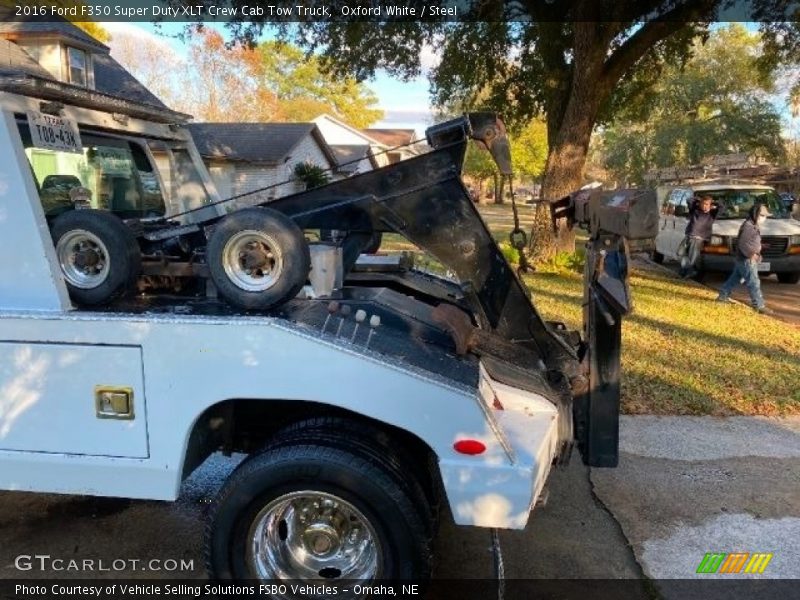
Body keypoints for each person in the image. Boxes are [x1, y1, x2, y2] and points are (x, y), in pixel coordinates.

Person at [716, 203, 775, 315]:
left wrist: (760, 246)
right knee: (754, 282)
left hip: (743, 259)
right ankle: (758, 305)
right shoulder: (748, 226)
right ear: (755, 214)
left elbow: (750, 241)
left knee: (734, 279)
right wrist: (751, 254)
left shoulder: (752, 225)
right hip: (747, 260)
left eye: (765, 216)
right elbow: (742, 243)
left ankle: (722, 296)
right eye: (762, 215)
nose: (764, 218)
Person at [679, 195, 719, 278]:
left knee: (691, 257)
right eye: (703, 204)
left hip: (698, 238)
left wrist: (714, 202)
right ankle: (687, 270)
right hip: (689, 236)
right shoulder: (695, 210)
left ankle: (686, 273)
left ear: (710, 206)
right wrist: (698, 199)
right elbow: (689, 200)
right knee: (680, 253)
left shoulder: (712, 214)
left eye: (707, 204)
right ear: (700, 204)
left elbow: (722, 207)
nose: (705, 206)